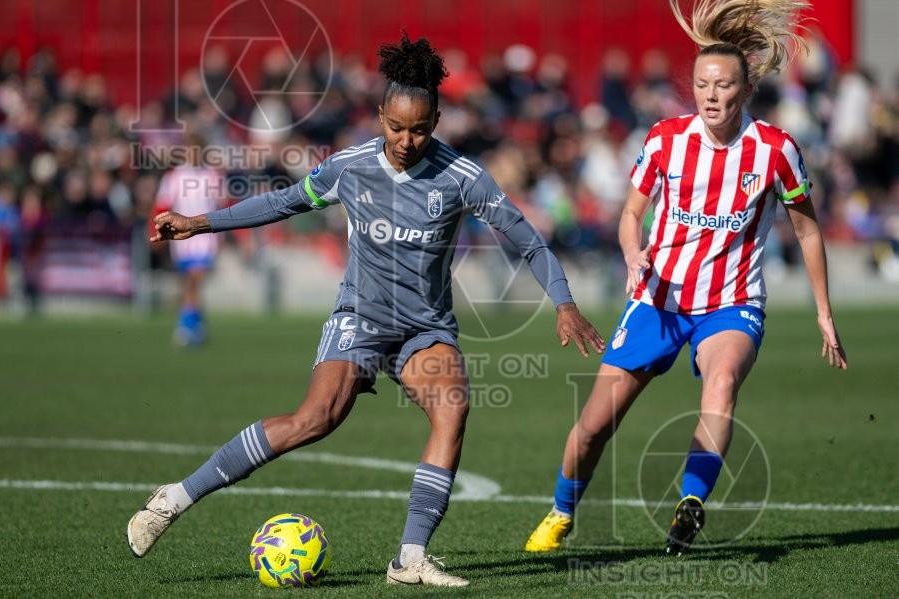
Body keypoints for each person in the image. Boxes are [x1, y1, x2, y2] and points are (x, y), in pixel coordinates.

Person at [126, 33, 605, 587]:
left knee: (452, 407)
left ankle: (409, 558)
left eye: (420, 129)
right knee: (315, 420)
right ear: (380, 116)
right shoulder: (350, 167)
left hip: (424, 328)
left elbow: (527, 238)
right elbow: (281, 203)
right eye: (396, 127)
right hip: (360, 317)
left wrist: (565, 304)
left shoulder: (461, 177)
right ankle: (173, 498)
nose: (406, 140)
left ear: (437, 121)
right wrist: (199, 222)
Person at [525, 0, 848, 556]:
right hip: (659, 299)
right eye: (702, 84)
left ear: (744, 90)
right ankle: (561, 511)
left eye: (723, 86)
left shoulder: (776, 151)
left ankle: (691, 503)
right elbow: (631, 214)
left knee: (721, 385)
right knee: (594, 427)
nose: (711, 95)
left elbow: (810, 232)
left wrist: (823, 310)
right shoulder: (665, 140)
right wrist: (632, 255)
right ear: (692, 87)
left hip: (733, 302)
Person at [151, 134, 226, 346]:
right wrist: (158, 232)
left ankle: (185, 327)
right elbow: (162, 206)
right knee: (190, 284)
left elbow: (223, 205)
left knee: (194, 280)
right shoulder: (174, 177)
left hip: (207, 238)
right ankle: (196, 327)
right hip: (182, 239)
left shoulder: (212, 175)